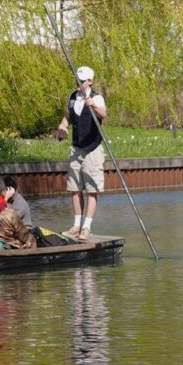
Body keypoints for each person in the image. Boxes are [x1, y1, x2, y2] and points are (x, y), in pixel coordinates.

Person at [55, 64, 106, 238]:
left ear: (90, 81)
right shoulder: (71, 97)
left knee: (92, 189)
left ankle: (86, 227)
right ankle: (76, 225)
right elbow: (67, 117)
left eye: (82, 81)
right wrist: (62, 127)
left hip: (93, 148)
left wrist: (93, 106)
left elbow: (103, 114)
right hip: (76, 147)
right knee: (74, 188)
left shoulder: (96, 97)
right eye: (77, 80)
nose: (79, 83)